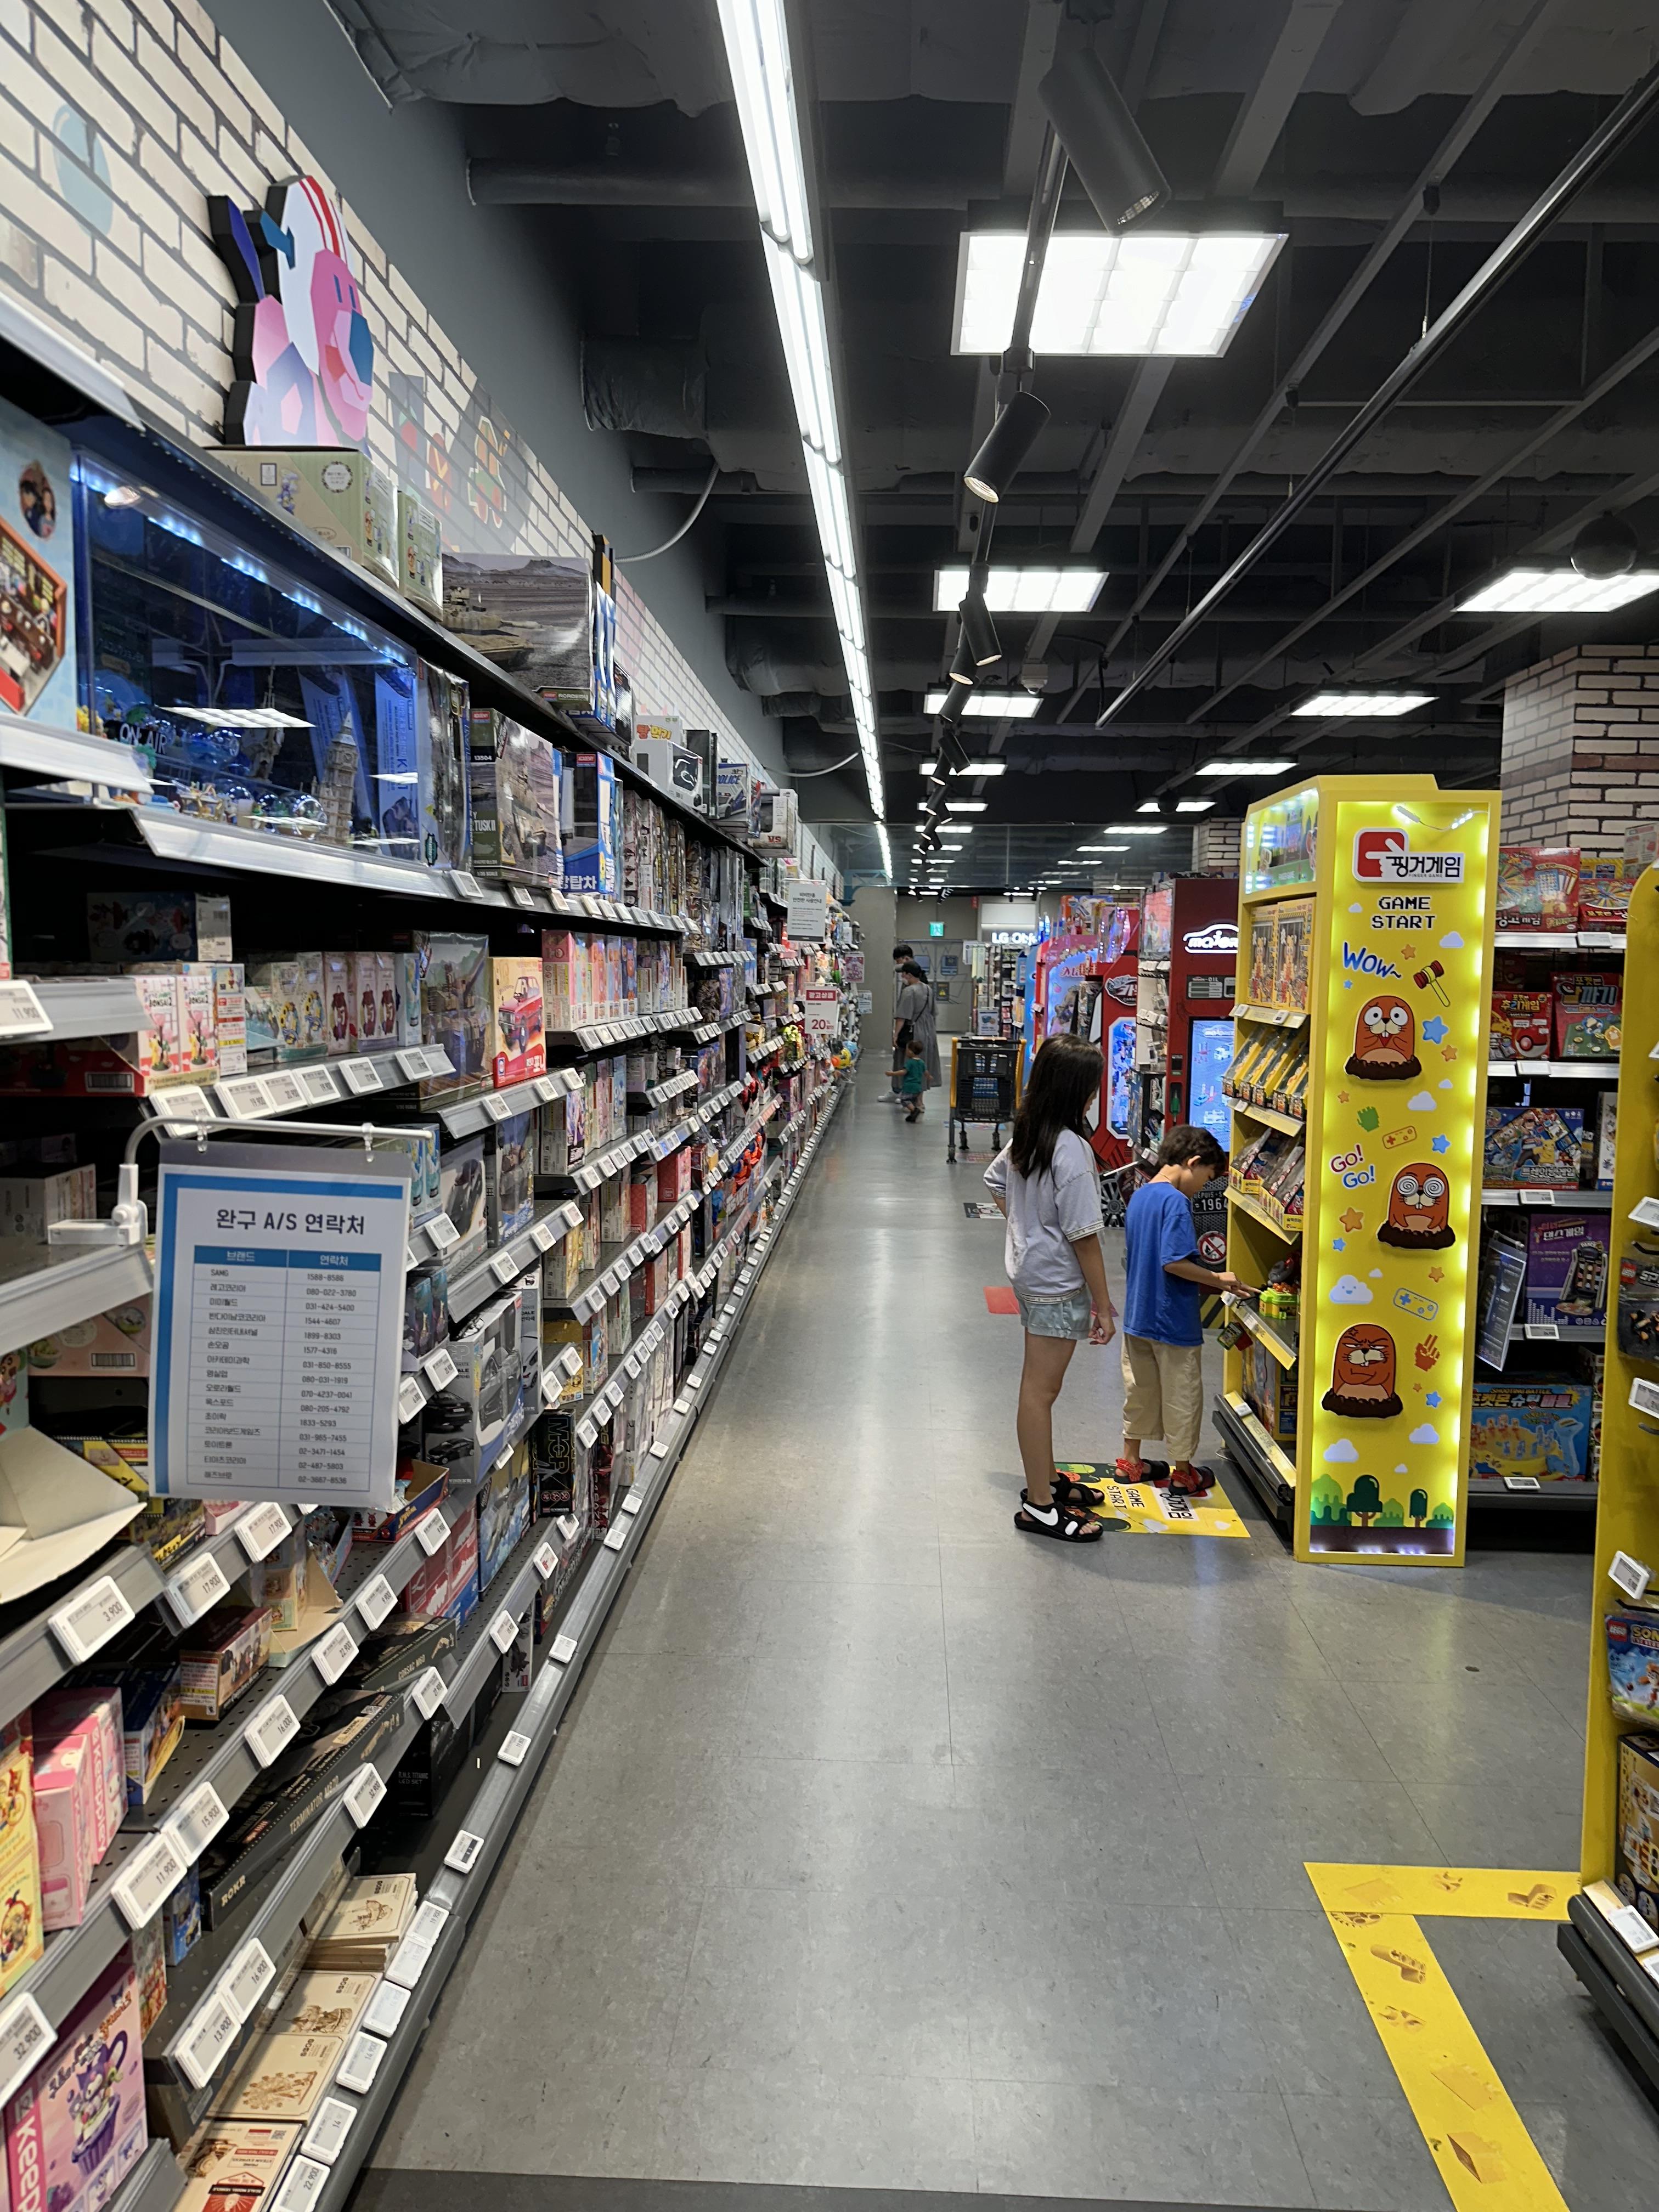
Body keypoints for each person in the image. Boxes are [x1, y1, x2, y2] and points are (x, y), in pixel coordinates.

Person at [985, 1034, 1119, 1543]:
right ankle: (1040, 1505)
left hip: (1032, 1275)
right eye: (1093, 1087)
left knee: (1039, 1388)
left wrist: (1024, 1231)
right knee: (1040, 1393)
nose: (1096, 1095)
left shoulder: (1031, 1132)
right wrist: (1103, 1306)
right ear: (1077, 1090)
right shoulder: (1072, 1149)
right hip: (1058, 1284)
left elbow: (996, 1182)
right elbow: (1085, 1237)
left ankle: (1047, 1479)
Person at [1119, 1125, 1237, 1496]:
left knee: (1139, 1391)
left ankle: (1131, 1461)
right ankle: (1183, 1472)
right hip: (1173, 1320)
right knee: (1181, 1395)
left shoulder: (1140, 1196)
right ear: (1193, 1162)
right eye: (1207, 1177)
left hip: (1138, 1315)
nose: (1202, 1187)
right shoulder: (1176, 1202)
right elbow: (1174, 1262)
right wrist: (1218, 1278)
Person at [895, 960, 940, 1092]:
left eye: (903, 974)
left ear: (909, 975)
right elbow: (934, 1012)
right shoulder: (928, 989)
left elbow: (902, 1017)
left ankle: (910, 1095)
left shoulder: (909, 991)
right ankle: (920, 1097)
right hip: (928, 1031)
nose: (902, 976)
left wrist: (895, 1035)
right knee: (923, 1062)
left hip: (914, 1031)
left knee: (909, 1063)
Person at [887, 943, 916, 1100]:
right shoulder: (909, 983)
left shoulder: (912, 985)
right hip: (910, 1028)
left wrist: (896, 1034)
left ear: (906, 959)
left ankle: (903, 1092)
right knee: (900, 1059)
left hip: (909, 1029)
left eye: (899, 962)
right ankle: (898, 1090)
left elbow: (903, 1013)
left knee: (905, 1060)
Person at [900, 1040, 927, 1122]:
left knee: (905, 1100)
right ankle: (913, 1115)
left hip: (909, 1087)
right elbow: (926, 1072)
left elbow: (904, 1072)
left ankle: (914, 1111)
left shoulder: (910, 1063)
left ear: (910, 1052)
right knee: (914, 1101)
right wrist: (929, 1077)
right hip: (918, 1088)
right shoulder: (922, 1062)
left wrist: (892, 1073)